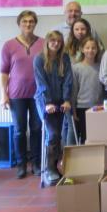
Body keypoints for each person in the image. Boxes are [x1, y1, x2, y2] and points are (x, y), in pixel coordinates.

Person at [0, 10, 45, 179]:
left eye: (31, 21)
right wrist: (4, 95)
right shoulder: (9, 45)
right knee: (19, 131)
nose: (28, 24)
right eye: (25, 21)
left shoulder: (43, 43)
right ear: (19, 24)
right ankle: (21, 165)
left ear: (35, 23)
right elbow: (4, 72)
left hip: (38, 95)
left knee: (36, 129)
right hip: (16, 95)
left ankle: (36, 164)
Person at [33, 30, 73, 183]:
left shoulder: (65, 58)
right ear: (47, 42)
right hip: (45, 101)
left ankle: (59, 165)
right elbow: (41, 82)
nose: (56, 43)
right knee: (53, 134)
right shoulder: (39, 59)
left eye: (59, 41)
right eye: (52, 41)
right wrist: (48, 102)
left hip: (62, 101)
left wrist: (67, 99)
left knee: (61, 135)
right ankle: (50, 168)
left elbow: (68, 80)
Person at [71, 37, 105, 144]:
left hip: (99, 107)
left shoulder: (102, 67)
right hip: (82, 107)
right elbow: (74, 90)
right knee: (85, 137)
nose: (90, 50)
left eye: (93, 48)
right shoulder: (76, 68)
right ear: (82, 49)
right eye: (87, 48)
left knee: (98, 136)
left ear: (97, 50)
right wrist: (74, 110)